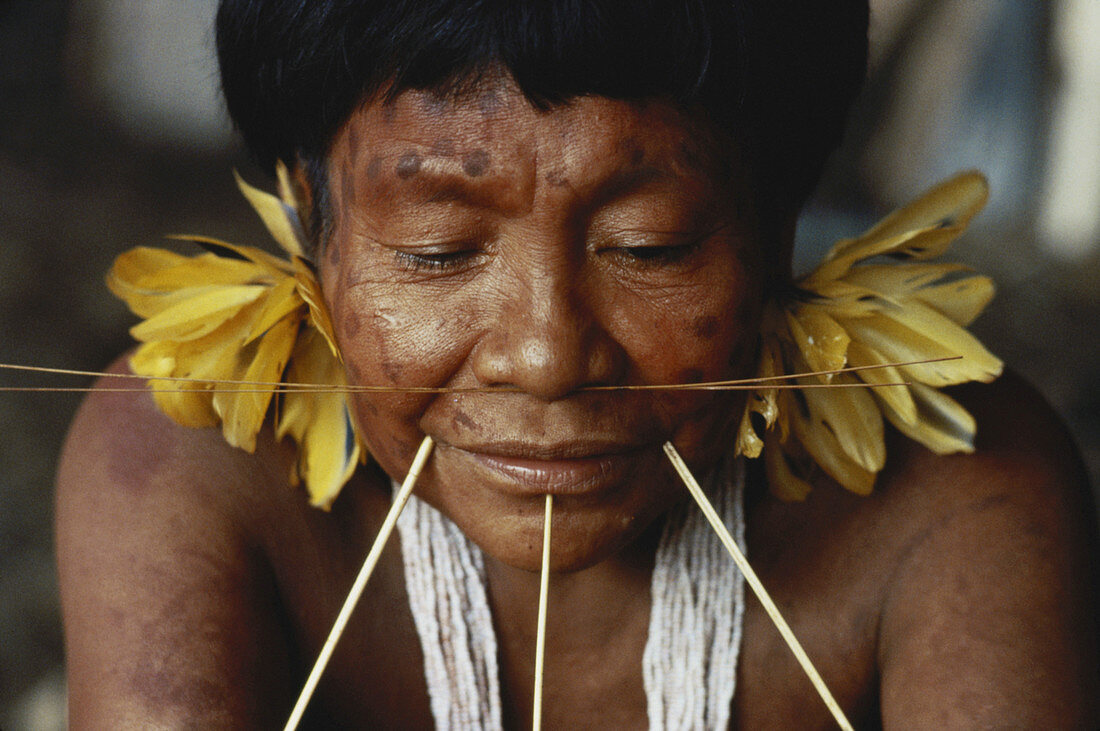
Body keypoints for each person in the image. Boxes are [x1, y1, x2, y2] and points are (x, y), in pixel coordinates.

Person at [56, 1, 1098, 727]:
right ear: (306, 223)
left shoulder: (953, 487)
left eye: (647, 247)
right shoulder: (193, 461)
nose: (547, 357)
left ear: (777, 225)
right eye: (436, 253)